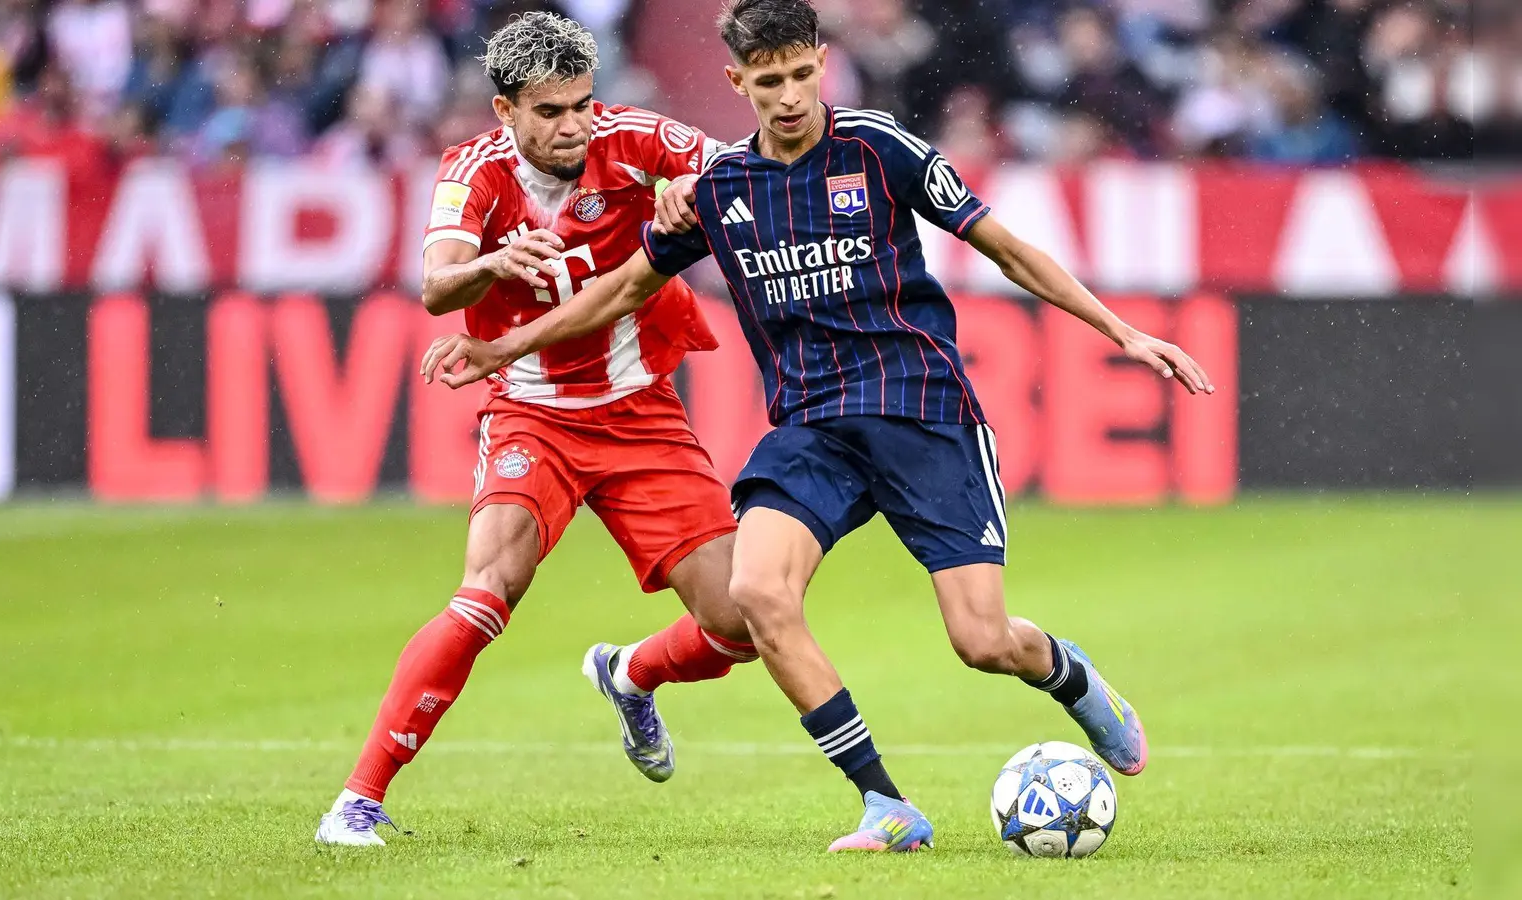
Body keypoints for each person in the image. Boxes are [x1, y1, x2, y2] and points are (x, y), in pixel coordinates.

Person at [423, 0, 1215, 854]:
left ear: (822, 63)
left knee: (982, 641)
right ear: (739, 83)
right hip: (813, 430)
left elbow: (1007, 247)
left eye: (803, 74)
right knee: (760, 595)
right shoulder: (722, 189)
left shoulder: (878, 146)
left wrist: (1123, 331)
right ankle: (886, 805)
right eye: (770, 82)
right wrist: (502, 344)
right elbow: (617, 292)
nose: (792, 96)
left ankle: (1075, 680)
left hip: (922, 412)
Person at [315, 12, 759, 847]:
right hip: (533, 411)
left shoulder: (635, 139)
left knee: (742, 622)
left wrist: (695, 192)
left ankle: (629, 675)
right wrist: (490, 264)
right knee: (487, 590)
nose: (572, 126)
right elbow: (437, 288)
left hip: (641, 414)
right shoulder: (474, 173)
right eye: (549, 112)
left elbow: (744, 175)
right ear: (503, 111)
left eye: (581, 106)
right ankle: (358, 800)